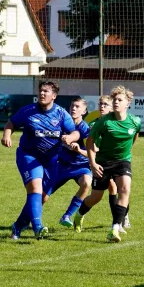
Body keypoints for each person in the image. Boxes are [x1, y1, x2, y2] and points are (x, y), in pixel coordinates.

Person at [1, 81, 79, 240]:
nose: (42, 94)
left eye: (46, 91)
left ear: (54, 96)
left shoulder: (62, 114)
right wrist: (6, 135)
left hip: (51, 160)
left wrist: (70, 137)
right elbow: (11, 123)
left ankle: (18, 225)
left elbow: (75, 132)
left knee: (42, 197)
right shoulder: (28, 111)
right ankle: (38, 228)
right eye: (41, 91)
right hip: (28, 155)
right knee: (35, 188)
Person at [73, 86, 141, 243]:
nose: (116, 102)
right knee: (95, 197)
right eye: (115, 100)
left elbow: (134, 137)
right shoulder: (104, 122)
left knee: (124, 190)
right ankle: (79, 215)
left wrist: (127, 153)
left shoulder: (135, 122)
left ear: (128, 103)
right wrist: (93, 163)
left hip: (123, 162)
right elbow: (89, 143)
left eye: (120, 100)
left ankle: (115, 228)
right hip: (103, 163)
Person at [71, 95, 121, 233]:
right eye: (100, 104)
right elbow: (91, 149)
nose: (102, 107)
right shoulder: (93, 125)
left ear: (112, 107)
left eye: (105, 104)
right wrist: (82, 152)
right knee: (97, 196)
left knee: (119, 187)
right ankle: (80, 214)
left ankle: (118, 222)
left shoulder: (119, 123)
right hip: (99, 163)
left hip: (116, 162)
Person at [53, 97, 93, 228]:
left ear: (84, 111)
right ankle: (27, 220)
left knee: (87, 183)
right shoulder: (62, 124)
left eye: (77, 106)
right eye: (72, 106)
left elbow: (91, 153)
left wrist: (79, 150)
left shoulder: (86, 130)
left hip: (80, 166)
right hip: (62, 165)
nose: (74, 109)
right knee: (42, 194)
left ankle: (67, 215)